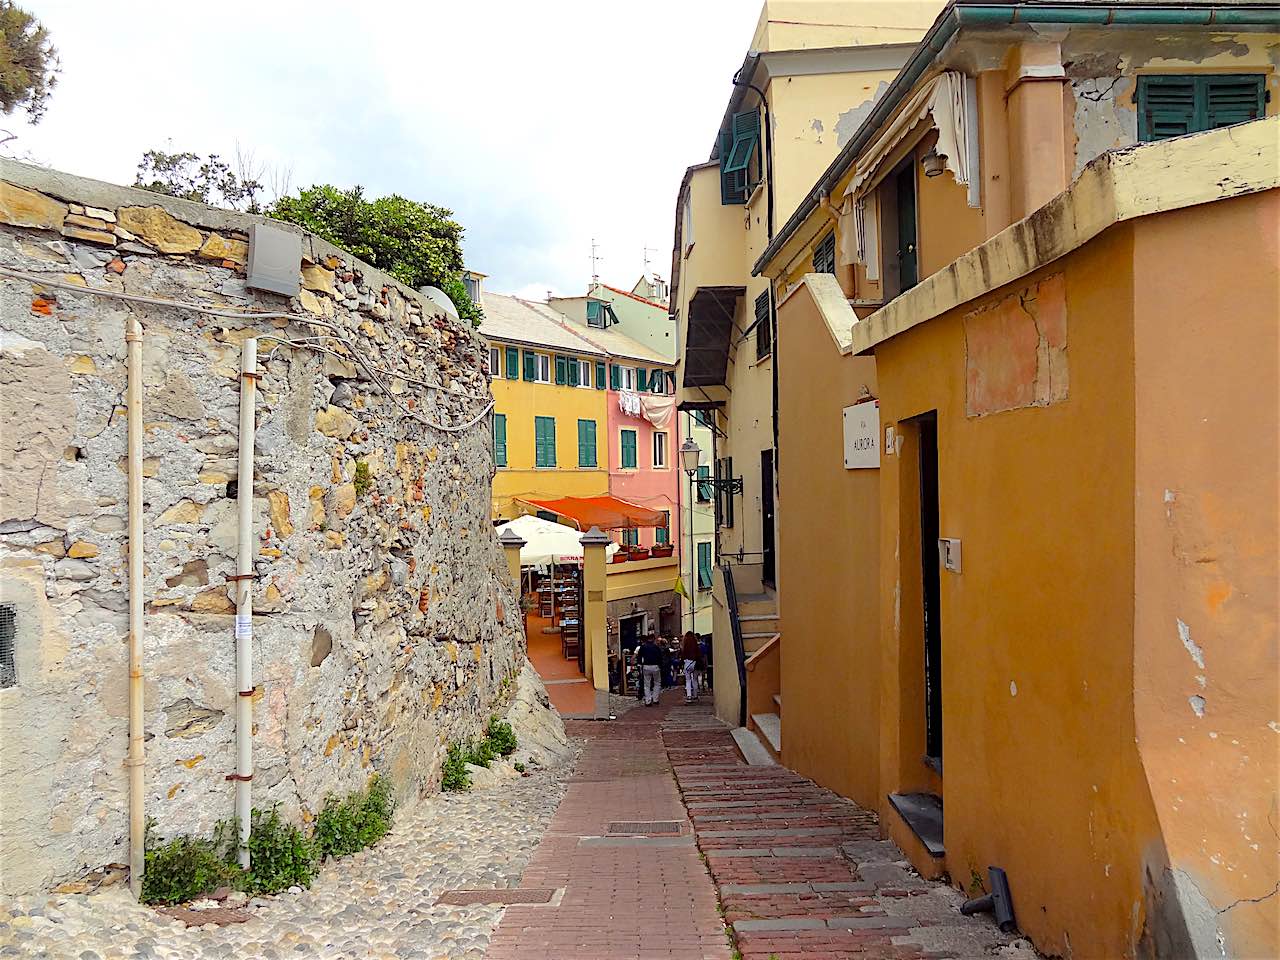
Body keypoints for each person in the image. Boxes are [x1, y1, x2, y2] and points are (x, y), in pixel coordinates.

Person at [637, 635, 663, 706]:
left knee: (647, 684)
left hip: (646, 666)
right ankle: (655, 699)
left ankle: (648, 701)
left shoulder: (643, 647)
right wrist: (660, 666)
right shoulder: (656, 647)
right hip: (655, 666)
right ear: (653, 639)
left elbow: (639, 657)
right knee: (657, 682)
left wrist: (639, 664)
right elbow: (660, 657)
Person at [681, 631, 704, 703]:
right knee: (695, 679)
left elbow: (683, 655)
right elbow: (699, 655)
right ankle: (695, 695)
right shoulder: (695, 645)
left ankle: (689, 696)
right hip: (695, 663)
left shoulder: (685, 645)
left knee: (688, 680)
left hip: (687, 663)